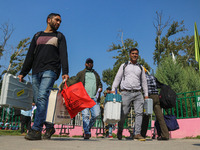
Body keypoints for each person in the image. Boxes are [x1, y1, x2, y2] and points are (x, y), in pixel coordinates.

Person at [18, 13, 69, 140]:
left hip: (50, 71)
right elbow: (30, 55)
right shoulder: (37, 35)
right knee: (40, 101)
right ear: (48, 20)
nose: (59, 23)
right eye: (57, 20)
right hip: (35, 72)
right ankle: (50, 126)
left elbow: (64, 55)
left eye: (60, 21)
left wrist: (65, 72)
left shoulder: (60, 36)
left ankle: (36, 130)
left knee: (41, 97)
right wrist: (23, 72)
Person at [112, 48, 148, 141]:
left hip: (138, 93)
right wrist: (113, 89)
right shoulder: (124, 66)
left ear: (138, 55)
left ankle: (137, 133)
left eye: (136, 54)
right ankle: (120, 131)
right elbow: (117, 78)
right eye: (133, 53)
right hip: (125, 93)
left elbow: (144, 82)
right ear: (129, 55)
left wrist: (146, 94)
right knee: (123, 113)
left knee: (139, 113)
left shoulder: (140, 67)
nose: (134, 55)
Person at [68, 58, 102, 139]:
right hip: (84, 98)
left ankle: (88, 127)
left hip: (94, 98)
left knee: (96, 115)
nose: (90, 64)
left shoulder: (96, 74)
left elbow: (100, 84)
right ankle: (86, 132)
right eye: (88, 63)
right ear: (85, 64)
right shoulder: (81, 73)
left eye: (91, 63)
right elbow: (74, 82)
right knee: (85, 115)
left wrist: (100, 88)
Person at [141, 69, 169, 140]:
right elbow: (159, 85)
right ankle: (165, 135)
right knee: (160, 117)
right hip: (156, 97)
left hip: (148, 97)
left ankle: (142, 134)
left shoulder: (142, 78)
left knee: (146, 116)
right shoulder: (153, 77)